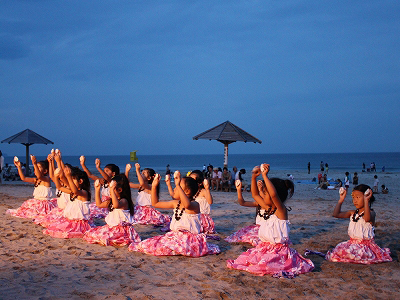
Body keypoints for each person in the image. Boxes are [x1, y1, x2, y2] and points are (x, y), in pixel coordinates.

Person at [227, 164, 314, 277]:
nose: (263, 194)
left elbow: (273, 195)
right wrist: (254, 177)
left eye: (265, 192)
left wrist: (265, 176)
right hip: (265, 247)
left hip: (279, 251)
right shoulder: (268, 208)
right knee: (245, 260)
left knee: (264, 265)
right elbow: (255, 195)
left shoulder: (281, 211)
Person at [128, 171, 220, 257]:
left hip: (189, 239)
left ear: (187, 192)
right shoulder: (175, 203)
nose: (175, 188)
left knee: (163, 246)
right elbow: (155, 203)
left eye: (178, 187)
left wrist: (177, 185)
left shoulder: (195, 205)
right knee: (150, 243)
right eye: (176, 186)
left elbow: (187, 204)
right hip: (176, 236)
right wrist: (154, 186)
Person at [307, 185, 392, 264]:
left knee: (348, 253)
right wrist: (341, 199)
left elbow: (366, 218)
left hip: (365, 246)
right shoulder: (353, 213)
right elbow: (336, 214)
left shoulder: (371, 213)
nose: (355, 200)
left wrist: (366, 200)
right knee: (339, 249)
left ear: (367, 197)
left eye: (358, 197)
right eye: (353, 198)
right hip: (352, 243)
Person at [83, 174, 141, 246]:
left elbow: (116, 205)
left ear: (119, 190)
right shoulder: (111, 201)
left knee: (106, 238)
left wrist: (112, 190)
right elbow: (99, 204)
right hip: (111, 227)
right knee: (93, 234)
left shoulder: (124, 201)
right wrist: (97, 189)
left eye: (112, 189)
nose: (109, 191)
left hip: (121, 230)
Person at [43, 160, 93, 239]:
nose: (70, 182)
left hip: (79, 223)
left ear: (80, 181)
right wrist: (56, 176)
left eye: (73, 180)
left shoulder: (84, 193)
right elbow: (59, 187)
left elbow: (75, 191)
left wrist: (69, 176)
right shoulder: (72, 192)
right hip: (70, 220)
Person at [225, 177, 276, 247]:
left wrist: (261, 190)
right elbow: (242, 203)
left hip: (266, 231)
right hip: (257, 228)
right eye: (260, 192)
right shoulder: (258, 204)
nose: (261, 194)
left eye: (264, 192)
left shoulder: (271, 206)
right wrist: (239, 190)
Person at [189, 170, 216, 234]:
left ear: (200, 182)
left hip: (202, 218)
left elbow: (210, 202)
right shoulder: (190, 192)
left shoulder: (203, 191)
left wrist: (207, 189)